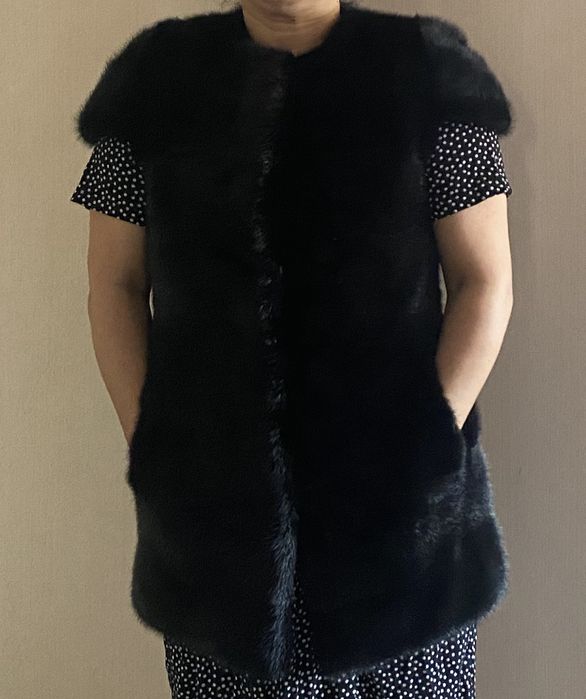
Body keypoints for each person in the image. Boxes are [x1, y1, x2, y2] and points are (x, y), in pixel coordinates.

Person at [70, 1, 514, 697]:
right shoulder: (157, 82)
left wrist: (424, 447)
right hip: (217, 536)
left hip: (402, 533)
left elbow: (484, 282)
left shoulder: (427, 72)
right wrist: (155, 444)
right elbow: (115, 287)